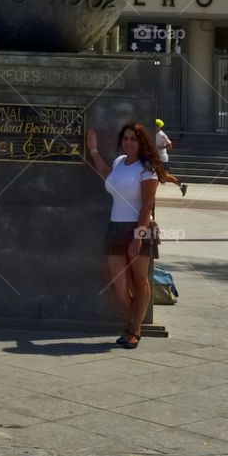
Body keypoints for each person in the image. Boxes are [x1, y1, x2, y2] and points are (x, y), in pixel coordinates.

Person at [86, 122, 179, 349]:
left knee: (140, 281)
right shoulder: (119, 163)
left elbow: (147, 206)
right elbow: (107, 174)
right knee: (118, 283)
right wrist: (94, 151)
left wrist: (138, 237)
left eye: (133, 139)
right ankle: (131, 325)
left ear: (141, 143)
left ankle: (134, 330)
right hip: (115, 228)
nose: (128, 142)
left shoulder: (147, 168)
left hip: (138, 228)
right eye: (125, 138)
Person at [155, 119, 186, 196]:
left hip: (162, 158)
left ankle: (181, 185)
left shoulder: (162, 135)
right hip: (155, 158)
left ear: (160, 127)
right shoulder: (152, 133)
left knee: (164, 176)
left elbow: (170, 145)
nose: (154, 127)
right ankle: (152, 193)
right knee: (156, 176)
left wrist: (160, 147)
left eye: (156, 126)